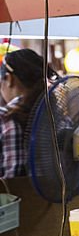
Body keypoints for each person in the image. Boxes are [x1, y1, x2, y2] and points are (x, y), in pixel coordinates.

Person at [0, 48, 49, 178]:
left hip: (12, 197)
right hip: (59, 196)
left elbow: (12, 180)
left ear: (9, 79)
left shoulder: (4, 118)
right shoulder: (58, 115)